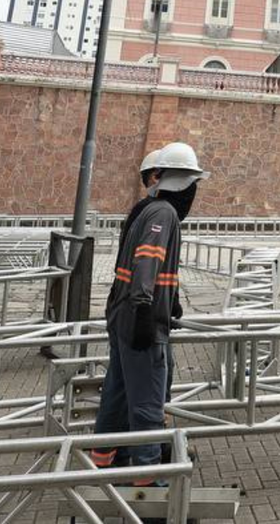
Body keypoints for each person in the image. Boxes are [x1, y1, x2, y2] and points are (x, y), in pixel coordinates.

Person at [90, 141, 208, 476]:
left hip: (124, 313)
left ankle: (107, 460)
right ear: (182, 183)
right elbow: (148, 261)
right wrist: (145, 309)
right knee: (147, 402)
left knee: (119, 392)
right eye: (193, 185)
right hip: (140, 318)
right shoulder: (164, 213)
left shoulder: (146, 209)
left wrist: (170, 300)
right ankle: (147, 479)